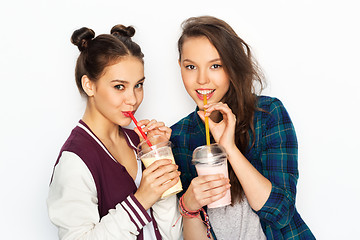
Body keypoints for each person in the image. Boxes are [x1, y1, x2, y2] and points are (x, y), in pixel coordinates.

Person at [170, 16, 315, 240]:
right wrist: (188, 206)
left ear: (231, 66)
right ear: (180, 66)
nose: (201, 79)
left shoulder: (267, 115)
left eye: (215, 66)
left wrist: (229, 148)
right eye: (191, 67)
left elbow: (280, 213)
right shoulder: (179, 136)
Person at [47, 24, 182, 240]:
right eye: (119, 86)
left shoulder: (136, 141)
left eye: (138, 85)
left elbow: (171, 234)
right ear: (89, 85)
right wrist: (141, 200)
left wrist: (158, 158)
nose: (133, 99)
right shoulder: (75, 159)